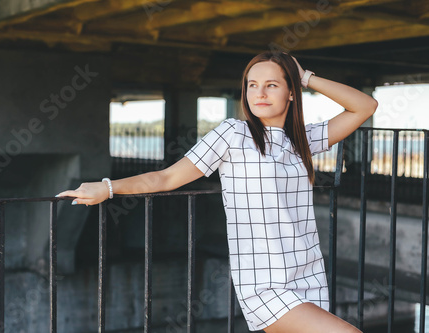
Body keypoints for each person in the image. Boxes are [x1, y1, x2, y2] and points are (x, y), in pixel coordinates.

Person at [56, 51, 378, 332]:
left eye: (272, 85)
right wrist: (109, 187)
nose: (259, 93)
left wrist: (305, 75)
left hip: (306, 274)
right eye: (252, 85)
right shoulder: (233, 135)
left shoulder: (301, 141)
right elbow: (166, 179)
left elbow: (365, 106)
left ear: (291, 93)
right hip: (265, 283)